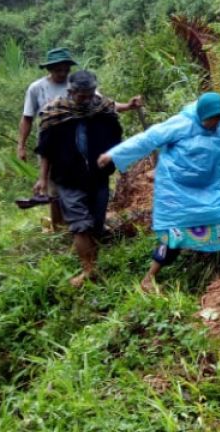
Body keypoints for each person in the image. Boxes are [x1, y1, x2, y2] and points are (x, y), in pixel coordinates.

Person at [98, 91, 220, 292]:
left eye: (217, 119)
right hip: (176, 192)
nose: (213, 123)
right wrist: (113, 154)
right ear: (201, 114)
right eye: (210, 119)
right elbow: (146, 140)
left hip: (210, 191)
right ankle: (148, 278)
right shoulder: (179, 124)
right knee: (172, 236)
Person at [18, 47, 142, 227]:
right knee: (56, 189)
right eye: (58, 69)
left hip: (82, 141)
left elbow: (104, 104)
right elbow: (27, 118)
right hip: (53, 143)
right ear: (49, 69)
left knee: (84, 182)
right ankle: (60, 226)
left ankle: (84, 224)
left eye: (65, 69)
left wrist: (129, 106)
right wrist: (21, 145)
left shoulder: (81, 85)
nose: (62, 73)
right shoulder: (37, 88)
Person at [34, 70, 124, 287]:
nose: (86, 99)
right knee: (80, 225)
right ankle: (89, 269)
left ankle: (93, 263)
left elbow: (118, 141)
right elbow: (45, 150)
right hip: (68, 177)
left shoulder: (103, 111)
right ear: (71, 91)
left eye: (90, 94)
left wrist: (120, 164)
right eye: (81, 95)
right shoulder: (55, 114)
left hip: (98, 177)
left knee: (96, 223)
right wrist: (42, 179)